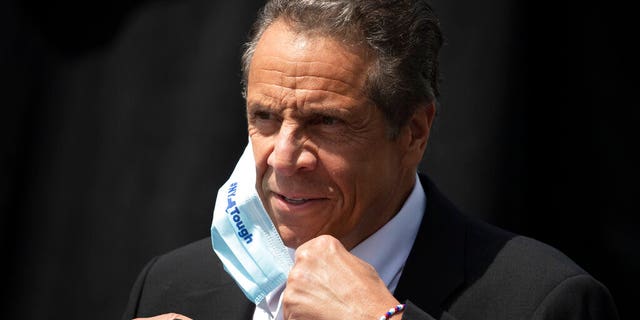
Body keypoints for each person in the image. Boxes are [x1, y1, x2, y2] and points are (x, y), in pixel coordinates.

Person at [121, 0, 619, 319]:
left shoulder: (545, 301)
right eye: (266, 118)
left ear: (414, 131)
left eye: (327, 123)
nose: (285, 157)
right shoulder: (171, 285)